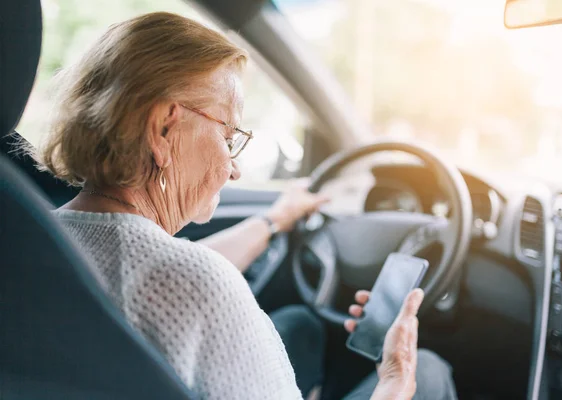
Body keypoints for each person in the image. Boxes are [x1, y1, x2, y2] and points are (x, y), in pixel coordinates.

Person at [37, 11, 455, 399]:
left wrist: (274, 221)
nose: (233, 169)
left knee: (299, 326)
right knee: (431, 373)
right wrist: (396, 380)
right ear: (164, 129)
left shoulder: (35, 240)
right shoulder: (196, 288)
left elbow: (152, 266)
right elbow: (184, 277)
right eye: (230, 135)